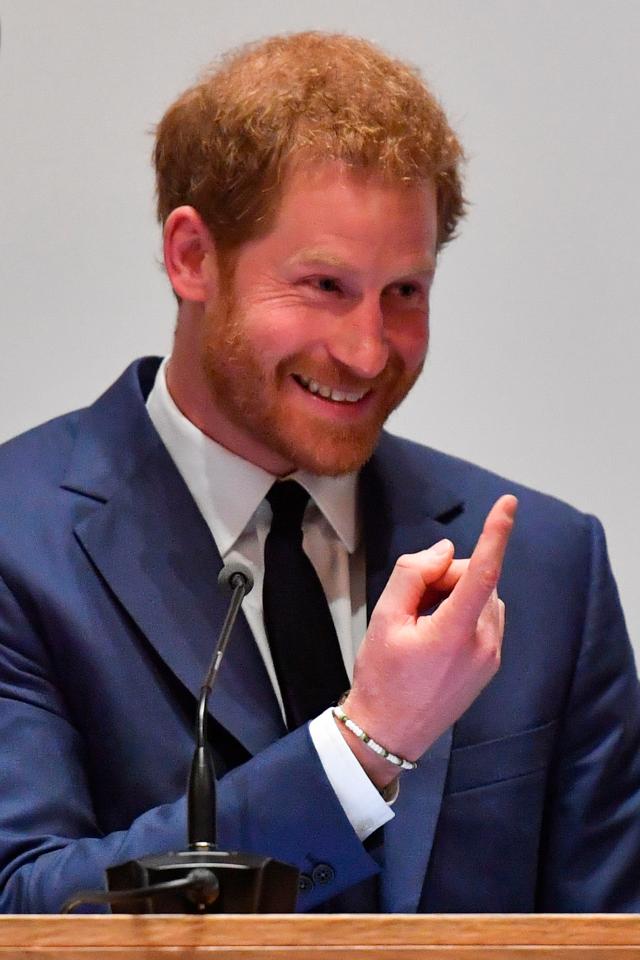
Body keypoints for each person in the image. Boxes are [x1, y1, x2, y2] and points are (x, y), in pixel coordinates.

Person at [0, 31, 638, 915]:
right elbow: (24, 907)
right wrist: (364, 749)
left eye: (404, 293)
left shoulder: (549, 568)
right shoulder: (17, 542)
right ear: (192, 257)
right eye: (325, 287)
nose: (368, 350)